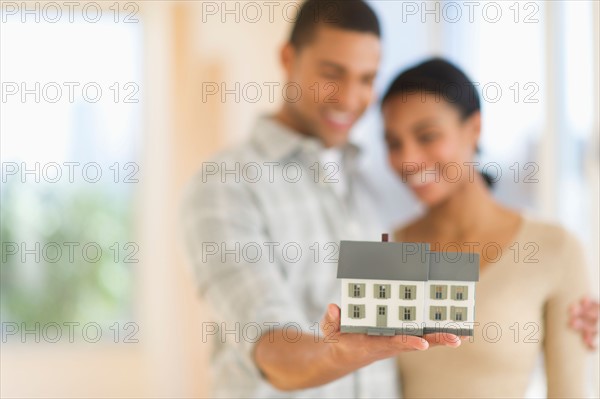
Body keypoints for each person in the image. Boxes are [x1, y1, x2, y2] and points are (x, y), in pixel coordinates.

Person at [181, 1, 598, 397]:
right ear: (288, 59)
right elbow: (270, 346)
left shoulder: (371, 192)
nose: (348, 98)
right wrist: (339, 353)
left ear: (475, 129)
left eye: (366, 78)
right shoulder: (226, 186)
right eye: (332, 73)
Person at [381, 58, 592, 397]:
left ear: (474, 128)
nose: (407, 159)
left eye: (427, 135)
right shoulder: (388, 250)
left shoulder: (555, 249)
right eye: (394, 143)